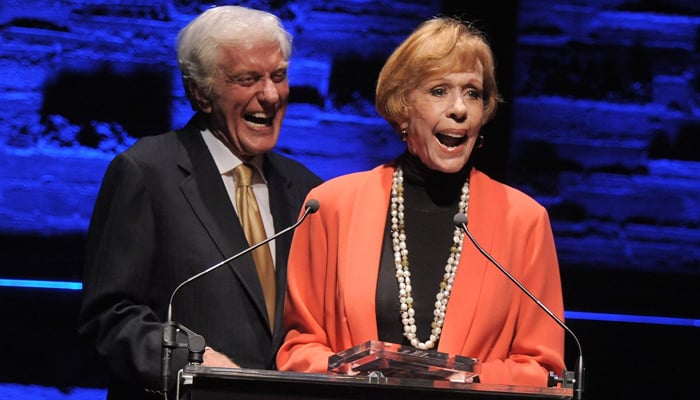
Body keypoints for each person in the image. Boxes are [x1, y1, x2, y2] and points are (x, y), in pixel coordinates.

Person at [276, 16, 566, 387]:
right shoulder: (331, 207)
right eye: (439, 91)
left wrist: (466, 380)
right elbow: (299, 347)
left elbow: (542, 368)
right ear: (402, 107)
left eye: (473, 93)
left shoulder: (523, 221)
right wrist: (349, 373)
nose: (459, 109)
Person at [77, 5, 322, 399]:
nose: (271, 95)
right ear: (200, 93)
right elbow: (110, 317)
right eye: (247, 79)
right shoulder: (146, 172)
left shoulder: (308, 192)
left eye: (278, 76)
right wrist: (190, 364)